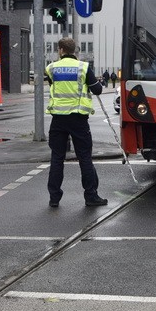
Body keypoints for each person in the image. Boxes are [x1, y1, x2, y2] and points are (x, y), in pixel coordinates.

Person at [45, 37, 107, 208]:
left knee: (57, 158)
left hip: (58, 119)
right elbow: (98, 90)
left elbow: (54, 85)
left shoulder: (51, 68)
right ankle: (90, 196)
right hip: (78, 119)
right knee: (84, 157)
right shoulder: (83, 68)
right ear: (74, 51)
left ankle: (54, 198)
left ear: (60, 50)